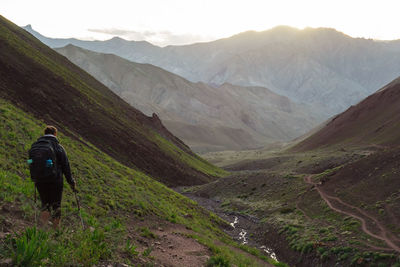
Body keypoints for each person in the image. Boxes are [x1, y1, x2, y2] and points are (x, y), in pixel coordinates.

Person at [30, 126, 76, 229]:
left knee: (45, 204)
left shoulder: (35, 145)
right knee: (56, 205)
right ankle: (56, 230)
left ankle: (43, 229)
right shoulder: (58, 147)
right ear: (55, 134)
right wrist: (71, 182)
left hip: (39, 179)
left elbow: (30, 162)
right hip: (55, 181)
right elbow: (65, 166)